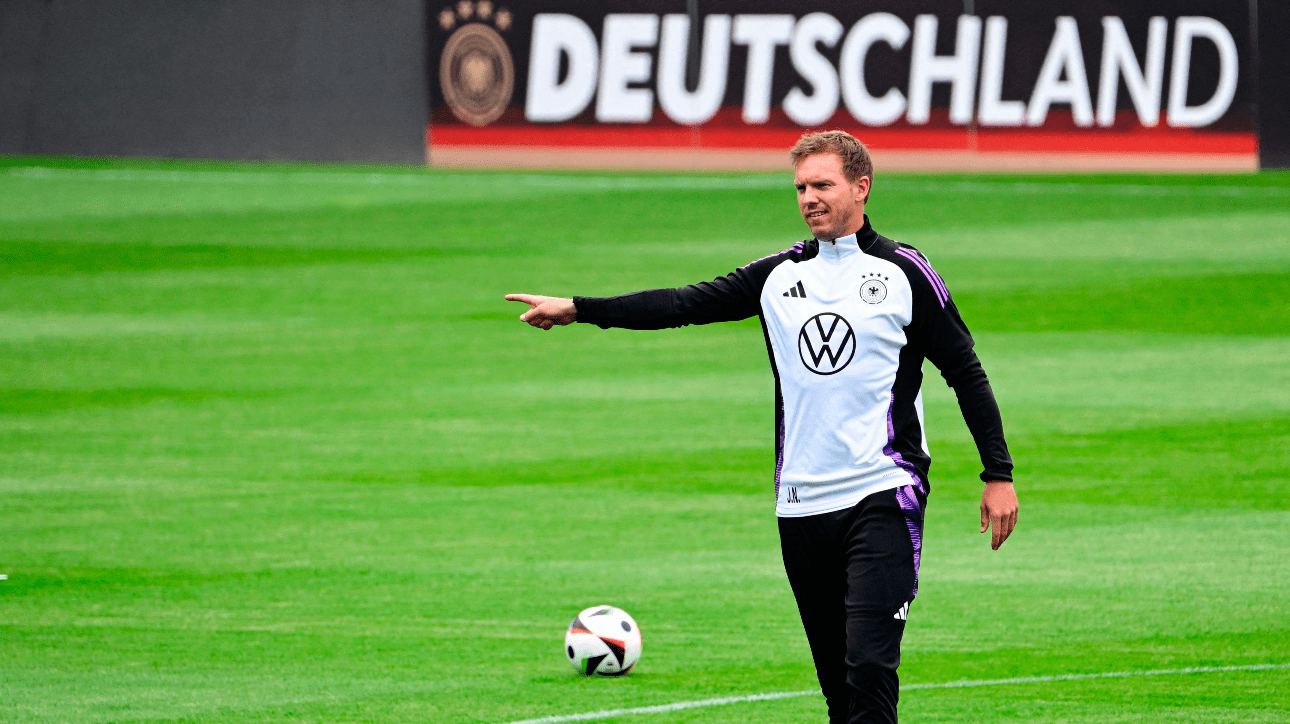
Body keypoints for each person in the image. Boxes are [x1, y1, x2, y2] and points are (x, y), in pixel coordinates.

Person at [504, 130, 1018, 724]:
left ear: (861, 187)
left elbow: (965, 371)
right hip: (800, 506)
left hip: (883, 493)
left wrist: (997, 474)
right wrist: (581, 307)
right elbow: (681, 305)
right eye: (800, 187)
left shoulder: (902, 272)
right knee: (837, 689)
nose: (809, 198)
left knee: (870, 666)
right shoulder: (778, 276)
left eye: (822, 185)